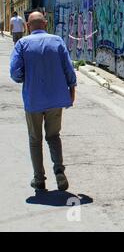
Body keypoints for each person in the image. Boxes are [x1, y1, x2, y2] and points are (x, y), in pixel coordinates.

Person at [10, 12, 77, 191]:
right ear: (45, 24)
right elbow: (68, 68)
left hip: (33, 99)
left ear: (27, 25)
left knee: (35, 139)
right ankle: (59, 171)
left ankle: (39, 179)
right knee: (54, 136)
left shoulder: (22, 44)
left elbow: (15, 72)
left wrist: (27, 78)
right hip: (56, 98)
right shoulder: (57, 41)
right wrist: (72, 88)